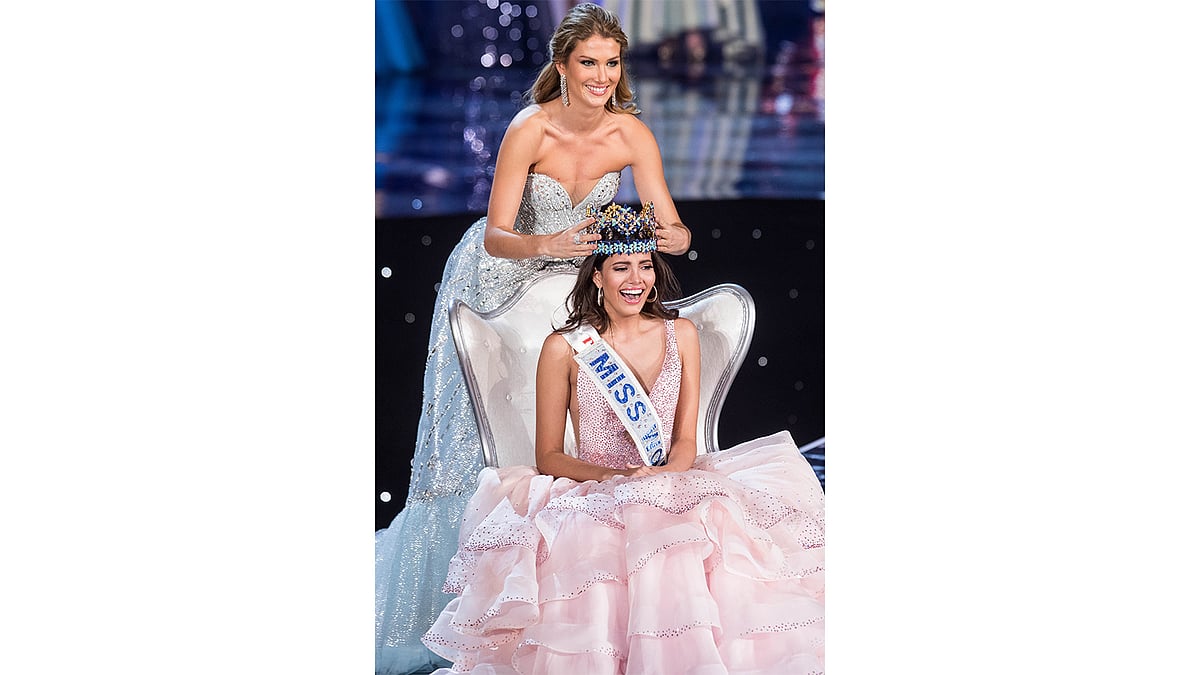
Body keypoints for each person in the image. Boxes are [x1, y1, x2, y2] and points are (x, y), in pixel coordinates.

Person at [376, 4, 693, 673]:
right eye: (589, 63)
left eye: (612, 63)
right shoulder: (531, 128)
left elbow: (674, 226)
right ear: (562, 67)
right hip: (505, 269)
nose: (602, 76)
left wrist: (674, 235)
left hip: (573, 279)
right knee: (507, 414)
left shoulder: (632, 134)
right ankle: (479, 585)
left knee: (597, 362)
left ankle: (577, 581)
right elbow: (495, 231)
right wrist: (548, 241)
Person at [420, 206, 825, 673]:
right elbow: (548, 455)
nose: (636, 279)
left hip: (671, 478)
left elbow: (685, 442)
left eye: (645, 265)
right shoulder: (564, 348)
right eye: (621, 267)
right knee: (596, 543)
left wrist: (662, 475)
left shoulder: (683, 334)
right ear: (596, 276)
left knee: (711, 532)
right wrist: (616, 476)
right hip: (596, 487)